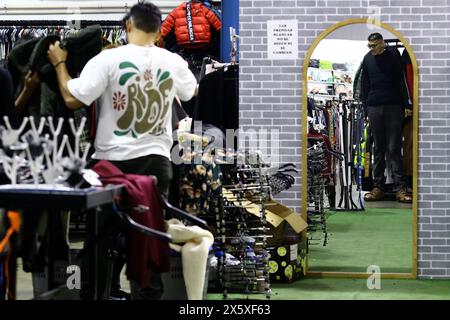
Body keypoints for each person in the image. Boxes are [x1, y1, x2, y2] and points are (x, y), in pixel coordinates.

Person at [47, 1, 198, 299]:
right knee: (148, 236)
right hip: (156, 164)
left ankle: (95, 293)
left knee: (100, 239)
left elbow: (71, 99)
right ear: (157, 29)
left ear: (128, 25)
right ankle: (148, 294)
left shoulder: (106, 60)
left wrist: (59, 63)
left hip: (111, 166)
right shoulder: (173, 61)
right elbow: (191, 90)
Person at [360, 33, 412, 203]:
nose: (371, 49)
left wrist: (406, 105)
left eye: (374, 45)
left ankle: (400, 188)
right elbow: (364, 85)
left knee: (394, 148)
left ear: (382, 43)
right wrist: (365, 108)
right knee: (378, 148)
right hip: (374, 106)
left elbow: (401, 79)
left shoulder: (394, 55)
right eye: (369, 46)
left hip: (394, 106)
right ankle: (378, 187)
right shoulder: (367, 59)